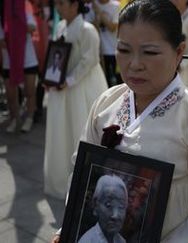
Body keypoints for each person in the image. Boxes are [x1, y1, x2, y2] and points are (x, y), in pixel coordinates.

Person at [51, 1, 188, 242]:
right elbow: (81, 174)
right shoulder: (106, 103)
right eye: (124, 50)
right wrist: (68, 229)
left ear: (179, 51)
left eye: (149, 52)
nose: (134, 64)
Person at [44, 0, 108, 200]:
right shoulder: (61, 26)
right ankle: (63, 180)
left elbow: (89, 60)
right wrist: (50, 76)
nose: (58, 7)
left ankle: (85, 183)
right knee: (62, 131)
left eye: (63, 3)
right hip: (63, 88)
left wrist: (69, 80)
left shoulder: (88, 29)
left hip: (82, 87)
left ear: (75, 5)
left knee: (80, 128)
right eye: (57, 4)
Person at [2, 7, 39, 133]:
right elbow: (2, 41)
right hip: (9, 61)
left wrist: (16, 25)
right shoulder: (2, 18)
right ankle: (14, 119)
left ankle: (29, 117)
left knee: (29, 91)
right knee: (11, 95)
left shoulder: (25, 13)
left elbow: (32, 27)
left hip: (28, 59)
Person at [78, 174, 128, 243]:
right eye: (108, 205)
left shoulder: (121, 241)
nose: (115, 215)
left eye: (121, 207)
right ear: (95, 205)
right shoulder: (88, 241)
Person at [93, 0, 121, 87]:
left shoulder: (116, 6)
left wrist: (99, 13)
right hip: (98, 52)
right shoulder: (92, 5)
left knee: (115, 82)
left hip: (112, 50)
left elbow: (112, 27)